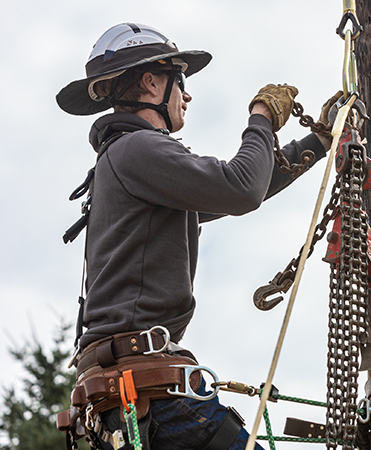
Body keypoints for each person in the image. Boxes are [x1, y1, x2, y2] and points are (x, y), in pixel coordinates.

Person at [55, 23, 333, 450]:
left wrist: (316, 141)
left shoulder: (126, 162)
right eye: (180, 81)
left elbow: (243, 186)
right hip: (151, 394)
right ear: (151, 82)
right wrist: (261, 119)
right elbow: (240, 188)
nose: (186, 95)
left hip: (127, 398)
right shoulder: (138, 150)